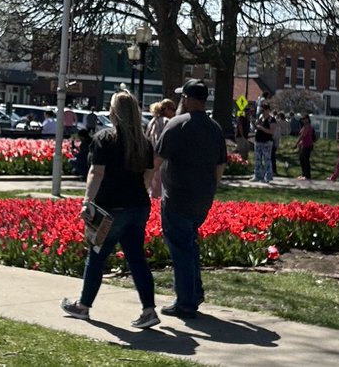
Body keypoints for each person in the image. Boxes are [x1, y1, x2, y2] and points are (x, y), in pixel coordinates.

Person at [60, 90, 159, 329]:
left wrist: (86, 201)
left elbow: (97, 172)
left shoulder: (105, 139)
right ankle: (149, 309)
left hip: (109, 209)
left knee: (96, 256)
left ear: (114, 113)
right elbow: (148, 176)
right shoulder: (143, 143)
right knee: (136, 259)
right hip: (137, 207)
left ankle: (83, 306)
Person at [154, 79, 227, 319]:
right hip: (202, 199)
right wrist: (210, 190)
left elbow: (156, 161)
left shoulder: (177, 125)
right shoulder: (215, 128)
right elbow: (220, 166)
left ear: (186, 98)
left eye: (182, 97)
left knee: (181, 250)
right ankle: (195, 292)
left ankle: (186, 302)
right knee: (190, 245)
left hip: (177, 198)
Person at [146, 98, 175, 198]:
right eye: (172, 109)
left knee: (153, 184)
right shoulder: (167, 122)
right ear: (166, 109)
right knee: (162, 185)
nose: (174, 112)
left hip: (151, 156)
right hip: (163, 157)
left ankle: (154, 204)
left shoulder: (152, 121)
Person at [252, 102, 275, 183]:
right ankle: (257, 175)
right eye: (262, 109)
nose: (263, 111)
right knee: (257, 159)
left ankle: (267, 176)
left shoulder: (271, 119)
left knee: (267, 159)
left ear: (268, 110)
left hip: (267, 142)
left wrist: (261, 128)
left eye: (264, 109)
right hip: (258, 141)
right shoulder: (260, 118)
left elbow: (271, 131)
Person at [295, 113, 315, 180]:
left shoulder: (307, 126)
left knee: (305, 160)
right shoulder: (304, 126)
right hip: (303, 145)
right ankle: (304, 174)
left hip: (307, 145)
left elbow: (303, 135)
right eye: (302, 119)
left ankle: (307, 175)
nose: (303, 120)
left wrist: (296, 143)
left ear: (307, 119)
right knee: (301, 159)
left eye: (304, 119)